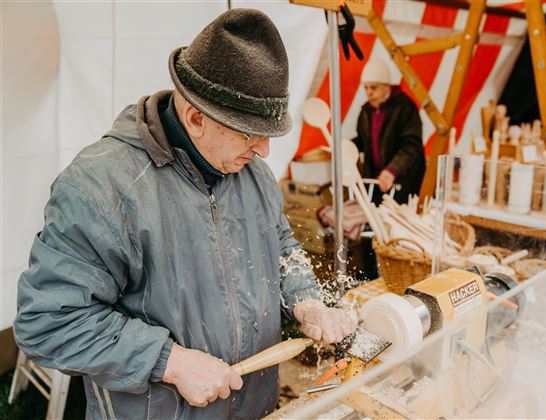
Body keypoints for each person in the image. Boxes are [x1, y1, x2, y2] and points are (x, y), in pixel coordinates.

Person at [13, 9, 357, 419]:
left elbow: (279, 246)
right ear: (195, 118)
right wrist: (170, 362)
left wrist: (307, 302)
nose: (264, 151)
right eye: (252, 134)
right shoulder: (102, 188)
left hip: (254, 407)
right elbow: (49, 321)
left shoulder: (253, 175)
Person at [352, 59, 425, 204]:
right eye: (366, 88)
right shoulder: (366, 111)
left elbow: (411, 145)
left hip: (402, 180)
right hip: (376, 180)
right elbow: (363, 141)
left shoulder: (404, 107)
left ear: (387, 86)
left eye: (374, 87)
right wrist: (345, 146)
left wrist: (393, 169)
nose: (369, 93)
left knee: (397, 221)